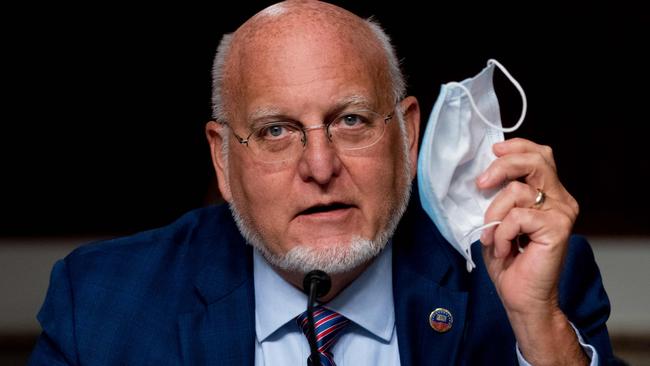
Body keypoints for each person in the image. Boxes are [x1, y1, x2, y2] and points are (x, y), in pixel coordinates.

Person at [29, 1, 616, 365]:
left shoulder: (535, 283)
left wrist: (542, 334)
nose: (319, 165)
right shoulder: (102, 303)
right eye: (277, 130)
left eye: (351, 121)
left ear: (408, 136)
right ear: (222, 161)